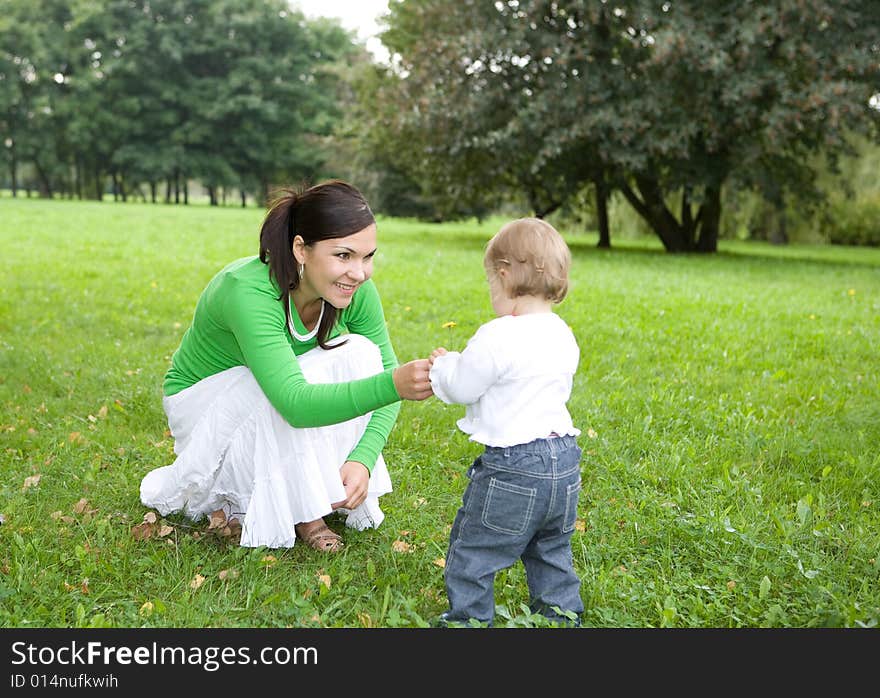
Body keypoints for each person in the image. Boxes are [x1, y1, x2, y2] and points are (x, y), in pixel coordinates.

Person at [140, 180, 433, 552]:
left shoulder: (352, 290)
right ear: (300, 249)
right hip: (207, 408)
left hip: (276, 394)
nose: (359, 272)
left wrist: (364, 458)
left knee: (359, 352)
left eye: (367, 256)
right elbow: (294, 402)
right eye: (343, 256)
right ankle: (305, 513)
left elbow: (381, 370)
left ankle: (320, 484)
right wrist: (395, 384)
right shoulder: (247, 291)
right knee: (281, 385)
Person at [428, 217, 584, 626]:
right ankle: (561, 619)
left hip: (514, 467)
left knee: (474, 551)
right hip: (564, 461)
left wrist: (443, 366)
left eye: (490, 284)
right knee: (551, 551)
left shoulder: (497, 336)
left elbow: (463, 387)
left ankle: (468, 622)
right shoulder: (563, 333)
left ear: (502, 276)